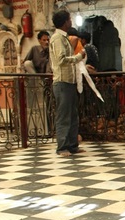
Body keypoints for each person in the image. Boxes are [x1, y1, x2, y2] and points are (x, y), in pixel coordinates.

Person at [49, 10, 87, 156]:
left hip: (69, 81)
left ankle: (72, 145)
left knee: (72, 114)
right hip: (62, 82)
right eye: (70, 19)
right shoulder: (57, 38)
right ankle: (62, 147)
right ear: (65, 22)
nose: (71, 22)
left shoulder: (64, 38)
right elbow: (61, 60)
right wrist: (78, 57)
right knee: (64, 115)